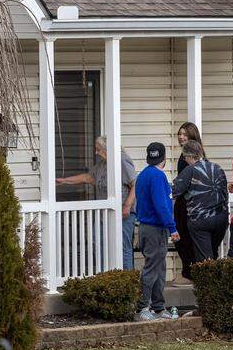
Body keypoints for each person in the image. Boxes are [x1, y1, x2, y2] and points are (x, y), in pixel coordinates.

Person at [56, 136, 138, 269]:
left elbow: (135, 184)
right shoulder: (102, 164)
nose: (96, 152)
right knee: (97, 241)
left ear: (107, 148)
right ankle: (106, 275)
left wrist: (127, 206)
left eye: (98, 149)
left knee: (123, 246)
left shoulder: (121, 160)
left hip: (123, 214)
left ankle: (127, 279)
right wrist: (64, 181)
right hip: (104, 214)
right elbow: (88, 177)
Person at [134, 142, 180, 321]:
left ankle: (159, 308)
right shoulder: (159, 177)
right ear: (165, 159)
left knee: (159, 268)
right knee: (153, 268)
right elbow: (161, 205)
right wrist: (172, 227)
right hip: (155, 228)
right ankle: (142, 308)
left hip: (146, 226)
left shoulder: (143, 175)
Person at [171, 139, 229, 266]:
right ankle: (215, 280)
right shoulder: (217, 168)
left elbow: (174, 191)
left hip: (201, 219)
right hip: (221, 217)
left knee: (204, 259)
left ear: (187, 156)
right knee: (213, 253)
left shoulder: (190, 170)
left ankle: (208, 284)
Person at [171, 122, 203, 282]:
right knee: (182, 236)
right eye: (180, 133)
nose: (181, 137)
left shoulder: (190, 156)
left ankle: (189, 271)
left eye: (185, 134)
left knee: (182, 236)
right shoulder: (188, 155)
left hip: (187, 202)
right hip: (190, 202)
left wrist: (178, 183)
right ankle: (189, 270)